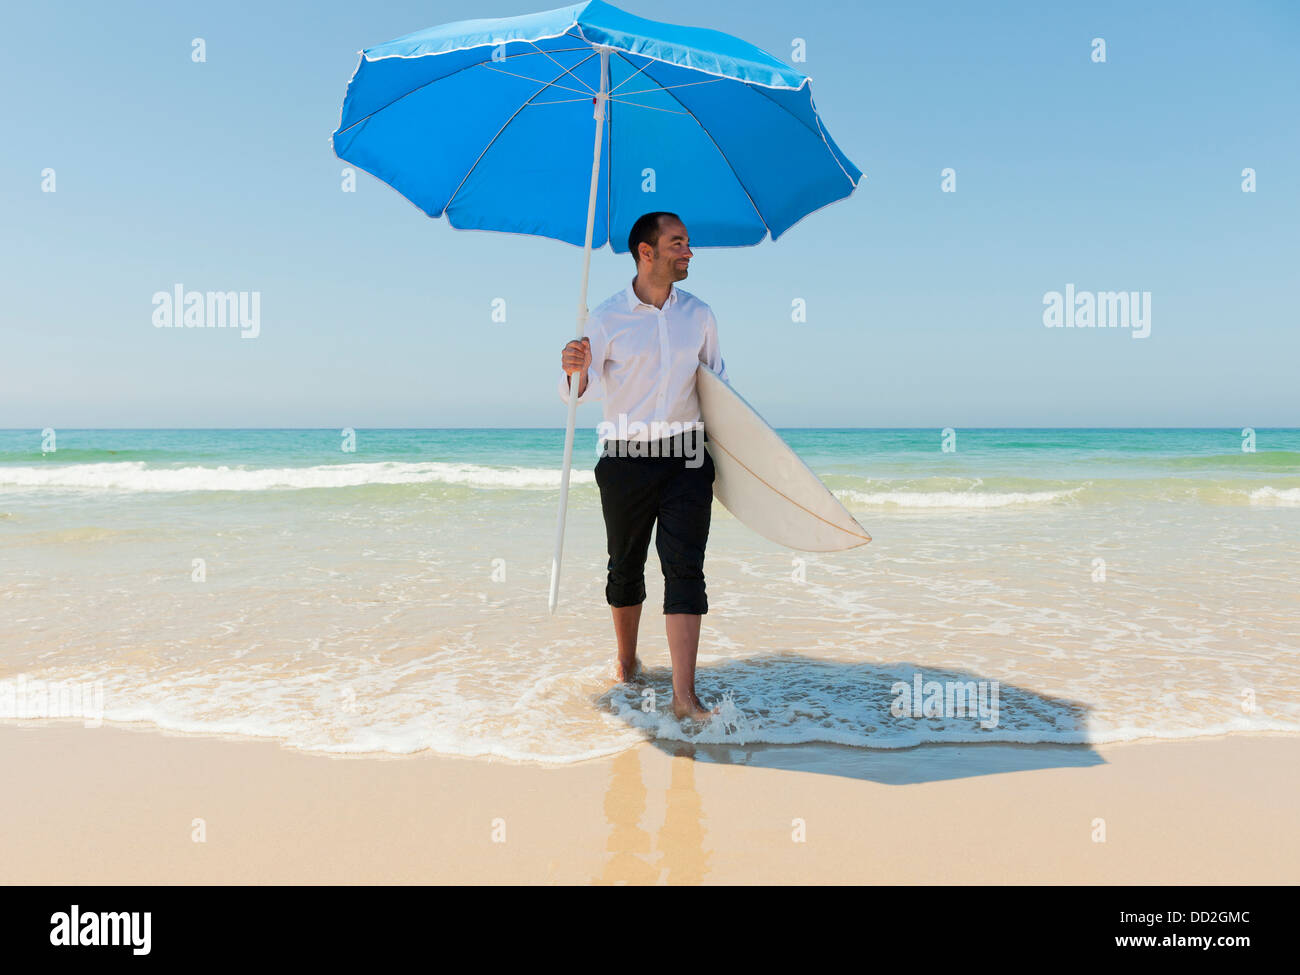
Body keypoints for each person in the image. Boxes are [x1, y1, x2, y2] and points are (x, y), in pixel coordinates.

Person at [558, 212, 727, 721]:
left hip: (688, 458)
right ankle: (627, 663)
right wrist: (572, 369)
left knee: (685, 570)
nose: (689, 252)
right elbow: (575, 397)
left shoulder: (698, 315)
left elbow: (718, 387)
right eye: (678, 243)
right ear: (645, 252)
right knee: (625, 567)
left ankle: (683, 696)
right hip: (625, 461)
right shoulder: (606, 318)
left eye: (689, 243)